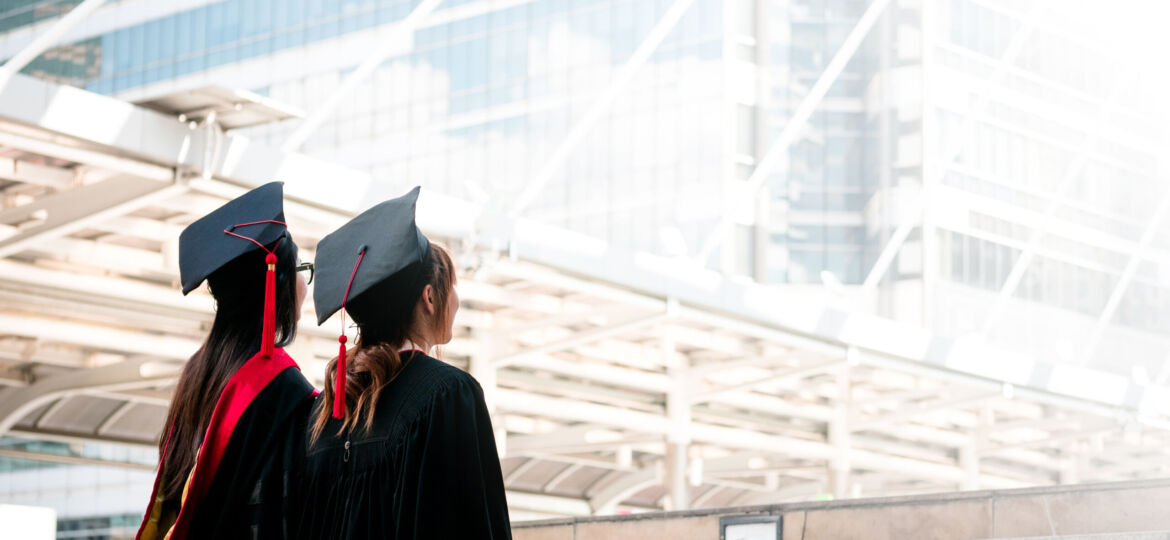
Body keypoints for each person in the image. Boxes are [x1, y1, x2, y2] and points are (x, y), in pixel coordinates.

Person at [295, 186, 511, 539]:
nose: (456, 299)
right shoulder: (449, 395)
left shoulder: (325, 411)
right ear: (429, 297)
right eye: (453, 286)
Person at [136, 182, 316, 540]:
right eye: (299, 268)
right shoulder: (282, 387)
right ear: (275, 280)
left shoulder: (198, 371)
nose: (303, 282)